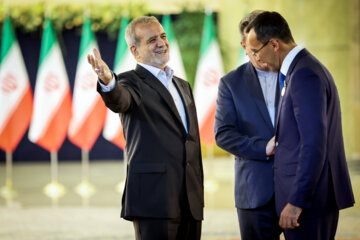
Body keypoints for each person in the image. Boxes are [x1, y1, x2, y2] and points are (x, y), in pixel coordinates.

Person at [87, 16, 203, 240]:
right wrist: (107, 79)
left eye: (163, 36)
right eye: (151, 40)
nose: (161, 43)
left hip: (190, 199)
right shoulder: (130, 82)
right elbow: (119, 99)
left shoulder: (182, 85)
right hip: (154, 200)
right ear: (134, 50)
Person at [246, 11, 355, 239]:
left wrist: (296, 201)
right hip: (308, 203)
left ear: (274, 44)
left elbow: (314, 144)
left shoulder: (305, 74)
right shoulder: (303, 69)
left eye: (256, 51)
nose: (255, 59)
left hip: (307, 205)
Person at [214, 11, 282, 240]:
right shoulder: (231, 83)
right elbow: (223, 134)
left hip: (298, 191)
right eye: (252, 47)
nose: (259, 54)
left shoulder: (294, 74)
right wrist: (263, 147)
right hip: (254, 193)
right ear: (244, 45)